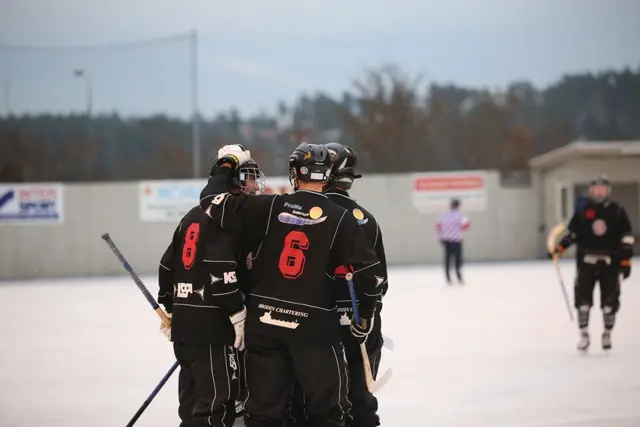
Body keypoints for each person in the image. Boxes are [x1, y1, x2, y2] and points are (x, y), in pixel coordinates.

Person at [199, 143, 384, 427]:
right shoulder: (342, 219)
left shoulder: (270, 205)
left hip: (265, 324)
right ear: (328, 175)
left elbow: (211, 200)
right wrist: (366, 316)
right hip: (315, 329)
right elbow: (371, 277)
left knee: (263, 414)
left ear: (295, 174)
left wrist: (227, 163)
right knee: (327, 414)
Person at [156, 155, 265, 427]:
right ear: (231, 181)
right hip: (214, 326)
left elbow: (166, 266)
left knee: (192, 407)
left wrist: (171, 306)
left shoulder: (190, 216)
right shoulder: (226, 220)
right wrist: (236, 310)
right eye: (247, 177)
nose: (253, 184)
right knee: (216, 407)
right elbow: (220, 270)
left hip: (186, 327)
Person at [322, 142, 388, 427]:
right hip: (359, 321)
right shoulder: (366, 219)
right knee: (360, 400)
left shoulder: (306, 215)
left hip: (316, 322)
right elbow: (379, 281)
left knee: (322, 402)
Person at [549, 176, 634, 351]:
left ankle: (607, 334)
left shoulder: (617, 211)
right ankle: (584, 335)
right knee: (583, 301)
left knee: (610, 302)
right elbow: (573, 234)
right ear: (591, 191)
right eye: (596, 189)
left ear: (608, 191)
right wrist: (559, 249)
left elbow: (626, 236)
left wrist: (625, 260)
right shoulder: (583, 211)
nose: (600, 192)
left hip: (610, 262)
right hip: (587, 261)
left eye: (603, 188)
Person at [436, 198, 470, 284]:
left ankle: (448, 277)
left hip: (446, 239)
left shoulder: (444, 215)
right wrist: (459, 229)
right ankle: (458, 275)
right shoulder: (460, 215)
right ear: (458, 206)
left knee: (447, 258)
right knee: (457, 259)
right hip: (456, 240)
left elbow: (438, 226)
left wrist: (440, 237)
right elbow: (466, 225)